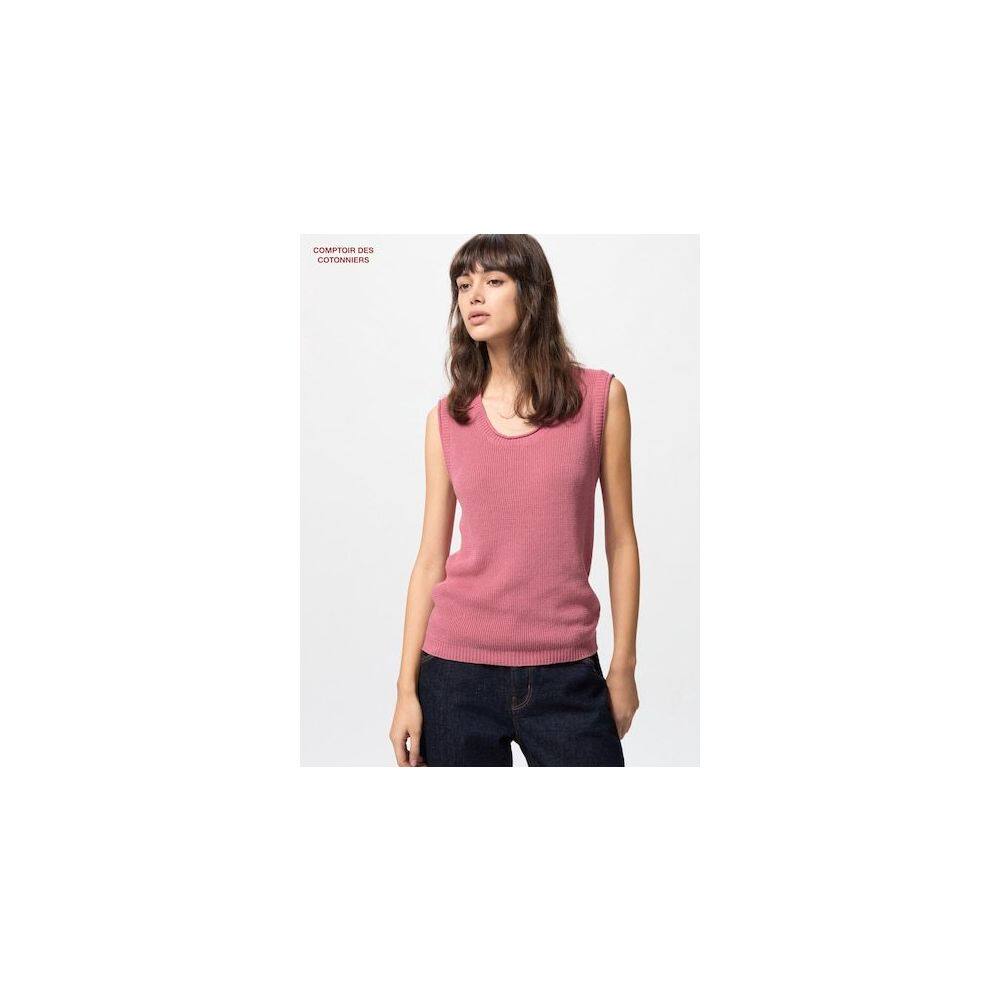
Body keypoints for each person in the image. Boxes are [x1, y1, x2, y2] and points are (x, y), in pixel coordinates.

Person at [389, 234, 640, 766]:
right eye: (464, 285)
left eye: (494, 281)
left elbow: (621, 542)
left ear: (532, 292)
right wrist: (406, 690)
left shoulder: (600, 398)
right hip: (454, 676)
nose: (474, 296)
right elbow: (431, 558)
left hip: (567, 673)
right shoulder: (447, 420)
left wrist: (623, 666)